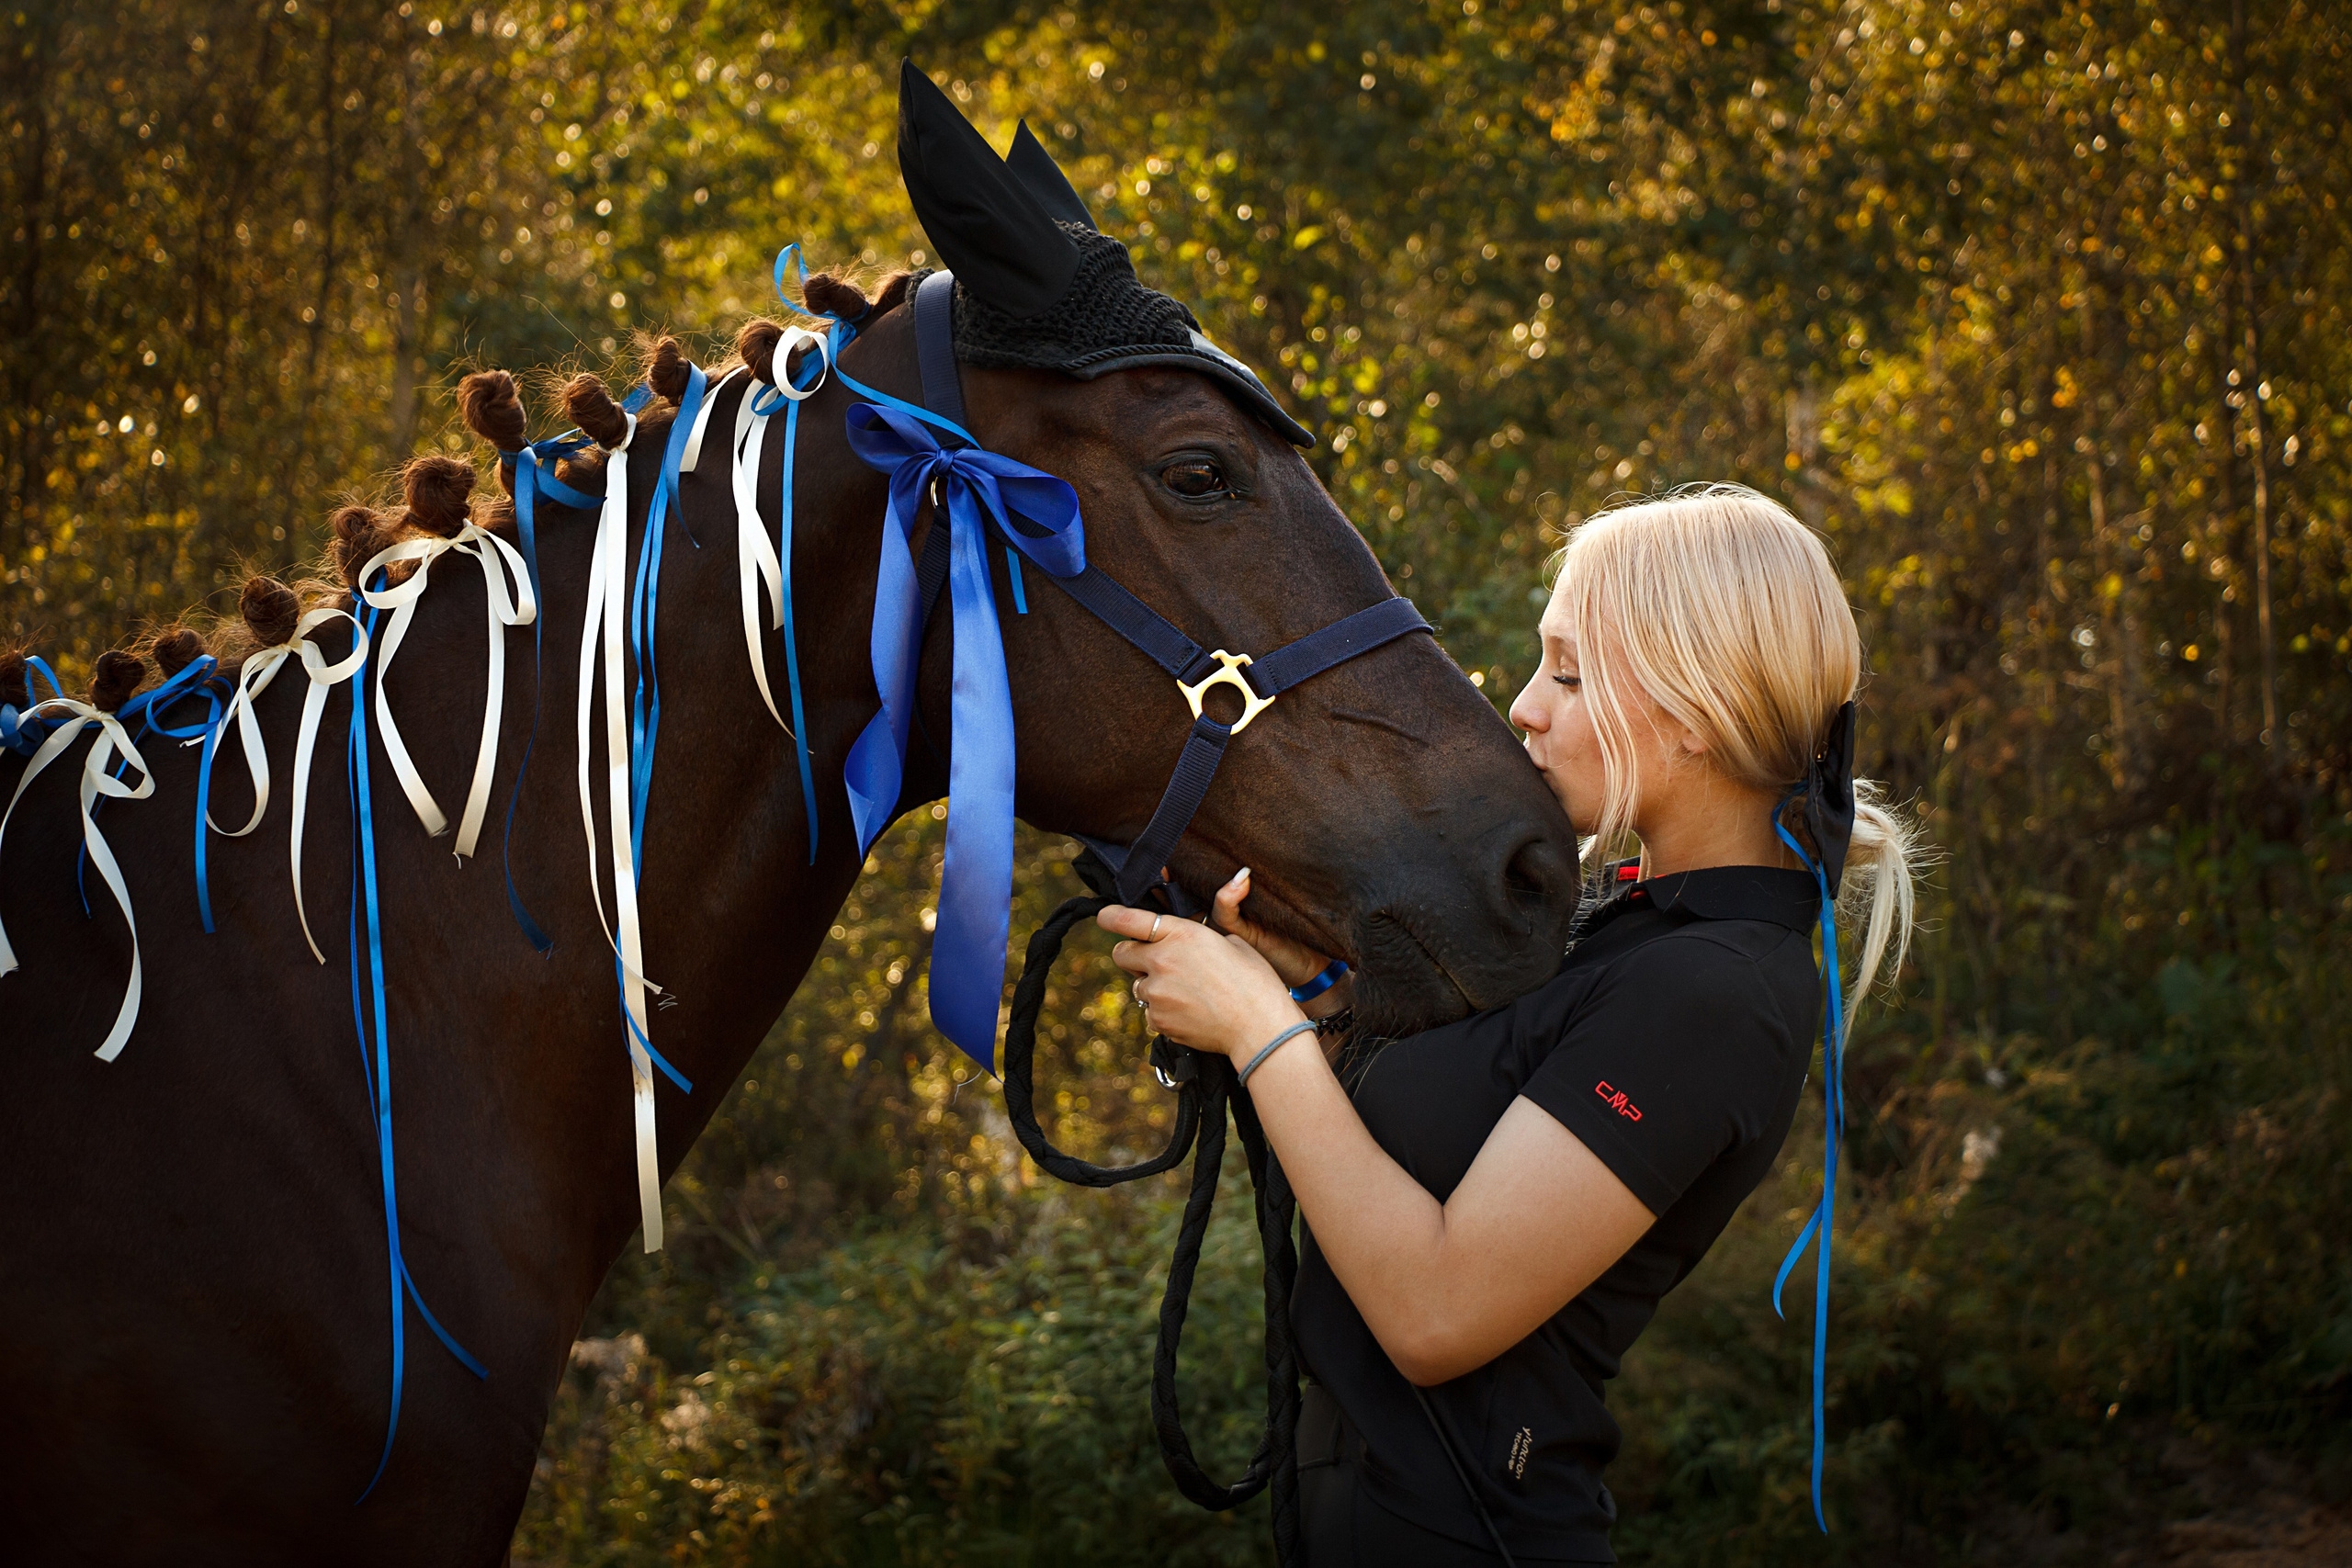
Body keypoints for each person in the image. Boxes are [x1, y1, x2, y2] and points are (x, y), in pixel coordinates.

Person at [1102, 483, 1920, 1565]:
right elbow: (1431, 1154)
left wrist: (1261, 1034)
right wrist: (1309, 997)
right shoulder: (1624, 929)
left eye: (1568, 672)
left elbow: (1436, 1313)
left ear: (1690, 710)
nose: (1523, 707)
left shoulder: (1710, 990)